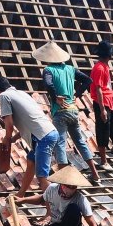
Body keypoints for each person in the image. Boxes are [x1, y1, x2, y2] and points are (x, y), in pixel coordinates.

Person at [38, 42, 100, 184]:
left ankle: (62, 178)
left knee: (60, 143)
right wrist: (76, 94)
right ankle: (95, 174)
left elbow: (48, 84)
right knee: (79, 141)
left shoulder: (48, 70)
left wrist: (55, 97)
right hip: (73, 110)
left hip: (60, 112)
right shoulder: (70, 69)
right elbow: (88, 80)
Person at [0, 75, 58, 195]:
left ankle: (51, 211)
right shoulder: (21, 93)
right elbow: (28, 122)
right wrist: (13, 139)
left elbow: (9, 124)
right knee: (31, 161)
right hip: (49, 132)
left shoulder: (3, 96)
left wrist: (6, 139)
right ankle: (21, 194)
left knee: (42, 177)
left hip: (42, 138)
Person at [18, 166, 97, 226]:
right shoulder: (52, 189)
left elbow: (93, 225)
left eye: (73, 187)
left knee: (73, 208)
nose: (71, 189)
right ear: (62, 184)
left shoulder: (80, 199)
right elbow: (41, 199)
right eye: (68, 186)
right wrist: (23, 200)